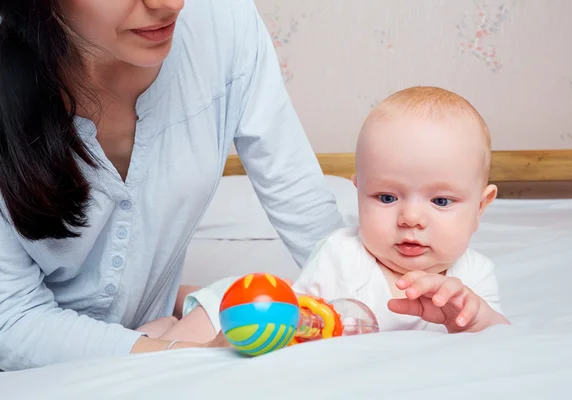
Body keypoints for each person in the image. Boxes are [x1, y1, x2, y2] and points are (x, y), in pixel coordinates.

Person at [0, 0, 344, 371]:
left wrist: (384, 289)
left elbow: (305, 208)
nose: (171, 4)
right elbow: (12, 322)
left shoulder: (223, 24)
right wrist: (188, 353)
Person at [158, 86, 511, 344]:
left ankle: (173, 304)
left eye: (441, 202)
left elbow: (502, 339)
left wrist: (475, 317)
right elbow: (297, 325)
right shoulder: (342, 256)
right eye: (387, 197)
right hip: (245, 309)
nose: (411, 218)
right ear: (359, 195)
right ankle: (168, 316)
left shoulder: (473, 277)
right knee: (175, 349)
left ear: (480, 208)